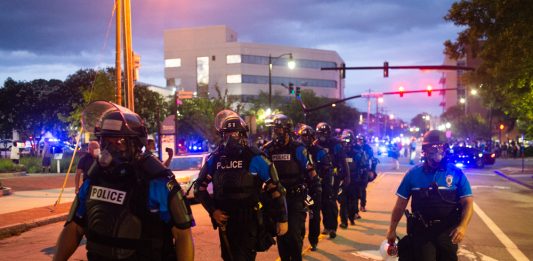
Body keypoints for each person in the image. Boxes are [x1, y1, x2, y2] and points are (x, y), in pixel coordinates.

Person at [54, 101, 195, 261]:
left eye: (119, 142)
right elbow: (74, 227)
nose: (111, 148)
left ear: (136, 144)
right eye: (106, 141)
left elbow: (183, 234)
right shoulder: (94, 178)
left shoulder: (157, 181)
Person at [194, 110, 288, 261]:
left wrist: (282, 219)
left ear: (243, 134)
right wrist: (213, 211)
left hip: (248, 219)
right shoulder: (216, 158)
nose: (231, 138)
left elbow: (276, 188)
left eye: (235, 134)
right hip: (225, 221)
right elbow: (199, 188)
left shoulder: (255, 157)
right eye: (227, 134)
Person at [386, 130, 474, 261]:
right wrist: (392, 229)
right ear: (425, 151)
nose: (436, 154)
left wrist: (463, 226)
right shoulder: (413, 174)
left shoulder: (456, 173)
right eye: (432, 149)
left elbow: (468, 203)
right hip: (422, 232)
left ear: (445, 150)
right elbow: (400, 205)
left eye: (440, 148)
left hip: (448, 232)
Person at [262, 115, 321, 260]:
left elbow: (309, 169)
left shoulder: (298, 148)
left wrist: (316, 187)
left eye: (279, 128)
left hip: (295, 196)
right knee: (281, 233)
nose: (276, 132)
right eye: (275, 129)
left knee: (293, 234)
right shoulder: (268, 149)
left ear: (287, 129)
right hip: (277, 197)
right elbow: (261, 171)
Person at [297, 124, 331, 251]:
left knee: (314, 215)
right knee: (299, 215)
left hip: (314, 189)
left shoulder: (320, 151)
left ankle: (313, 241)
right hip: (301, 189)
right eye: (302, 136)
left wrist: (318, 179)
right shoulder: (298, 150)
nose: (305, 139)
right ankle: (299, 239)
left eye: (307, 136)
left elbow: (326, 168)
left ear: (312, 137)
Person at [314, 122, 350, 239]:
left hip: (334, 175)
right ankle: (326, 226)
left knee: (331, 200)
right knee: (323, 202)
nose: (322, 136)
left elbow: (343, 161)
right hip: (320, 176)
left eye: (324, 133)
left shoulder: (336, 144)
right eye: (320, 133)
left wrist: (346, 176)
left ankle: (333, 227)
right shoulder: (316, 144)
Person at [338, 129, 365, 229]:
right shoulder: (339, 152)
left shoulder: (357, 152)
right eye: (345, 141)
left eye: (348, 141)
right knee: (343, 202)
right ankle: (344, 221)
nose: (347, 143)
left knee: (353, 202)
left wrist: (363, 179)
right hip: (342, 181)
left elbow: (362, 165)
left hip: (354, 181)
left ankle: (352, 217)